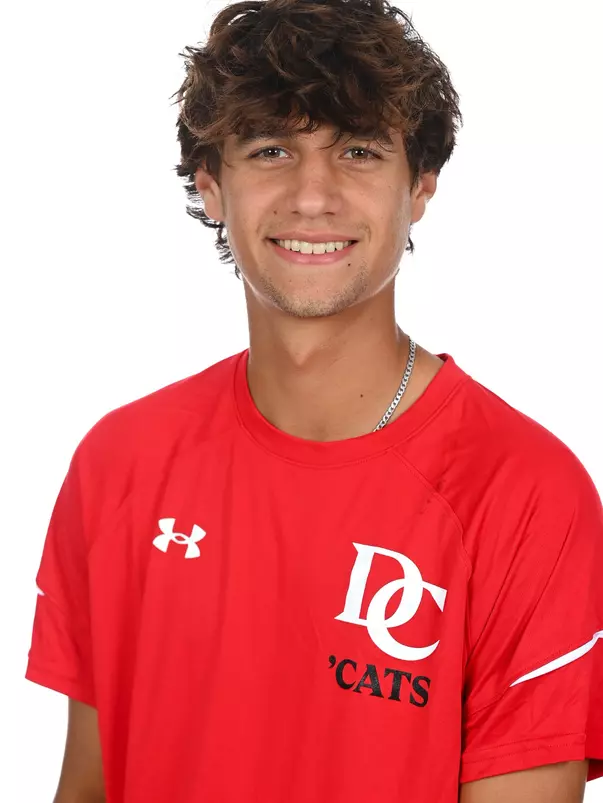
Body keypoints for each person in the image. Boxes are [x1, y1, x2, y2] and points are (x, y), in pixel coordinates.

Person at [25, 1, 602, 801]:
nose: (311, 196)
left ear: (419, 187)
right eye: (270, 150)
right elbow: (88, 785)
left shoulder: (525, 494)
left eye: (358, 151)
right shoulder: (119, 464)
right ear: (211, 186)